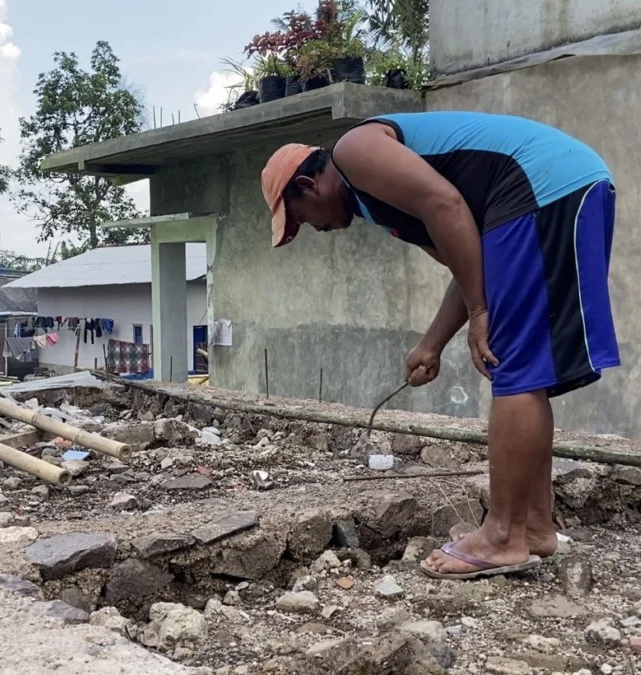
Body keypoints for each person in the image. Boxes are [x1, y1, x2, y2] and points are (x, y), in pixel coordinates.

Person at [259, 111, 619, 580]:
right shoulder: (380, 204)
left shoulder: (354, 151)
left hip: (543, 187)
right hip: (561, 184)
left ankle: (503, 537)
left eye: (301, 219)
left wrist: (480, 314)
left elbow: (447, 204)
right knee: (525, 366)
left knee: (516, 367)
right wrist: (432, 344)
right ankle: (533, 527)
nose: (313, 229)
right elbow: (465, 260)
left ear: (308, 185)